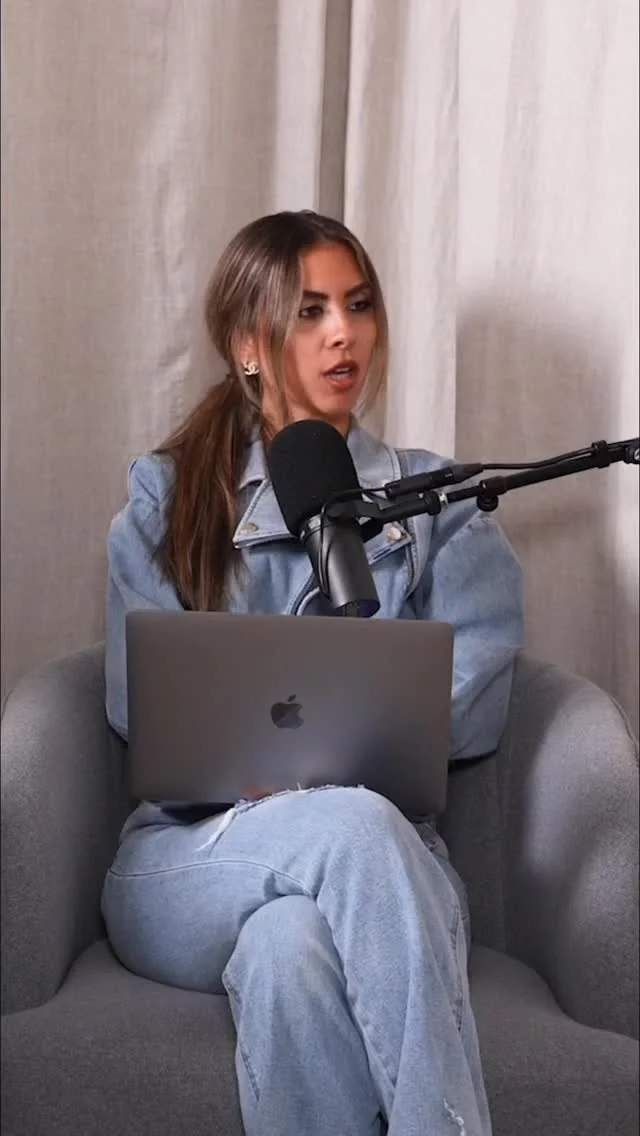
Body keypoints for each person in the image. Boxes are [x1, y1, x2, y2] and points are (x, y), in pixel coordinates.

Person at [102, 210, 523, 1136]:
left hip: (394, 871)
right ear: (249, 346)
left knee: (289, 949)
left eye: (359, 305)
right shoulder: (167, 498)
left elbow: (475, 708)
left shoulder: (442, 503)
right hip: (189, 859)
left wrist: (304, 771)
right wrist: (327, 780)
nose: (344, 334)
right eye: (310, 311)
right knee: (353, 823)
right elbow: (140, 707)